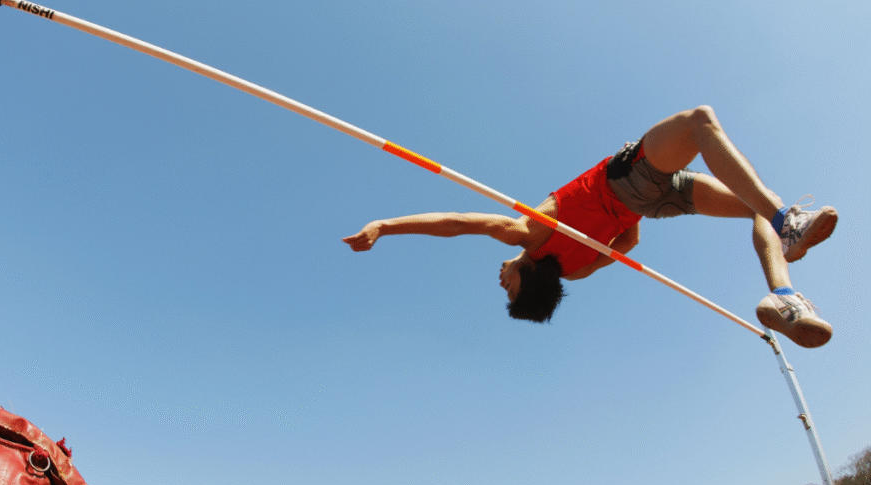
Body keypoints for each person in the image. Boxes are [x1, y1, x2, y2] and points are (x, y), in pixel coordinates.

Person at [343, 106, 837, 348]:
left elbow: (631, 239)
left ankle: (784, 295)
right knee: (698, 121)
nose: (501, 280)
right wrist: (384, 225)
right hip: (634, 180)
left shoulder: (574, 272)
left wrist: (630, 213)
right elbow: (454, 223)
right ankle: (785, 221)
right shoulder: (527, 236)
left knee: (748, 204)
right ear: (527, 281)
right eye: (508, 288)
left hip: (653, 203)